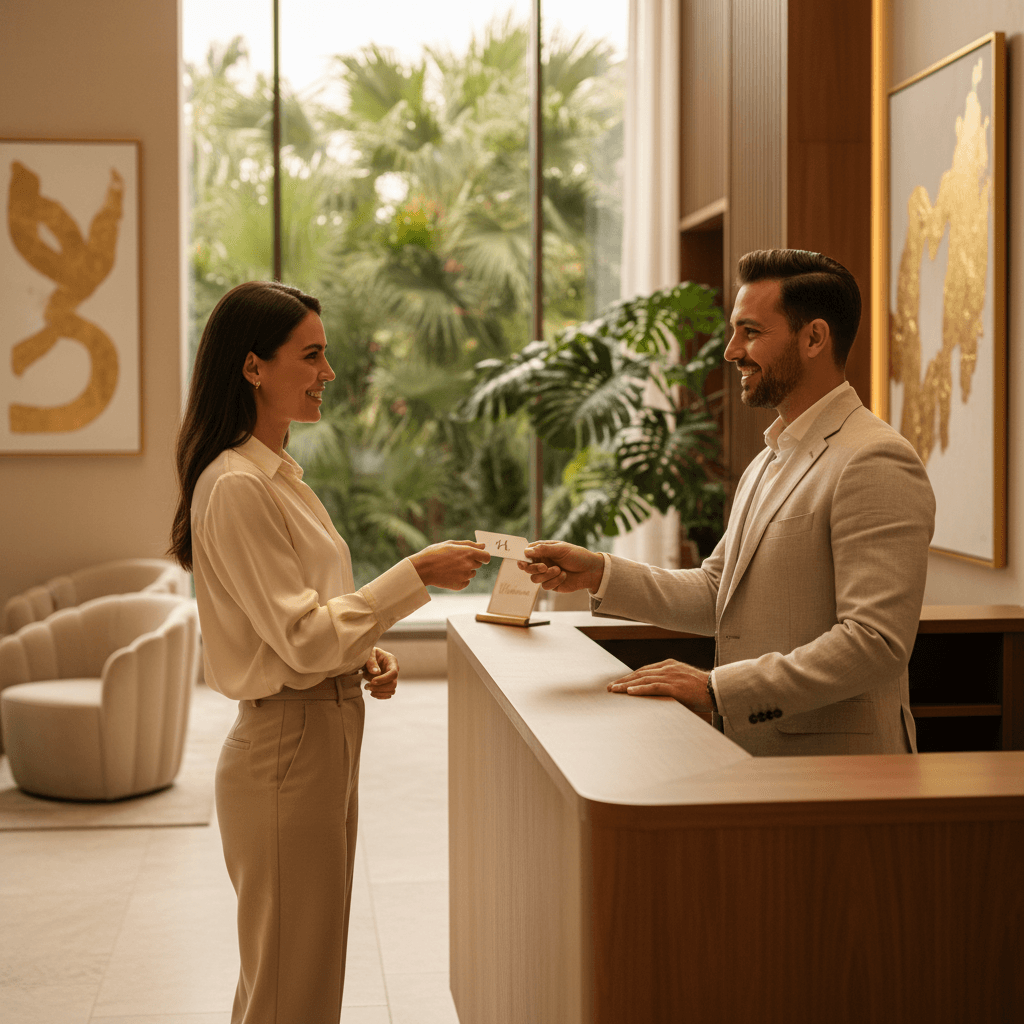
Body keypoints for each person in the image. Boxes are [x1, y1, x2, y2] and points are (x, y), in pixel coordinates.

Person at [169, 280, 490, 1024]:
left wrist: (360, 654)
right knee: (291, 990)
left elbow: (304, 628)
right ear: (254, 368)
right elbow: (304, 637)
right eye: (312, 355)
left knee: (294, 981)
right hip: (289, 743)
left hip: (315, 732)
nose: (329, 373)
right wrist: (415, 576)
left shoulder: (277, 479)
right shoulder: (238, 486)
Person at [521, 249, 935, 757]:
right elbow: (719, 592)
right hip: (754, 760)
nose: (730, 350)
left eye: (751, 332)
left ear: (814, 338)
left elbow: (875, 644)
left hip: (836, 773)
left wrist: (718, 690)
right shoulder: (768, 460)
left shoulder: (875, 459)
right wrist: (600, 573)